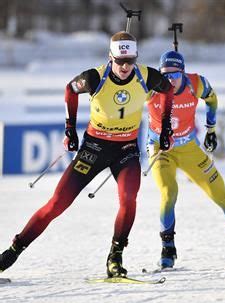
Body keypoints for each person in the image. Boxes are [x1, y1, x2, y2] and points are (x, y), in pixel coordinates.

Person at [0, 31, 174, 278]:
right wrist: (70, 128)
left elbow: (168, 91)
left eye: (130, 61)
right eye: (119, 61)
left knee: (128, 199)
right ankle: (11, 252)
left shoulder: (146, 76)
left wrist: (166, 125)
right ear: (110, 57)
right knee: (56, 205)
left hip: (126, 150)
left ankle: (115, 257)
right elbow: (70, 90)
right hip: (94, 148)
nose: (125, 67)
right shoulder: (95, 76)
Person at [146, 50, 225, 269]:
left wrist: (211, 128)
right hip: (160, 148)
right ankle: (168, 247)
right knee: (169, 192)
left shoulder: (196, 83)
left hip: (189, 147)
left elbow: (212, 99)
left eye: (175, 75)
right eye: (165, 75)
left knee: (219, 192)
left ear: (183, 73)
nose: (170, 81)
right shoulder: (151, 87)